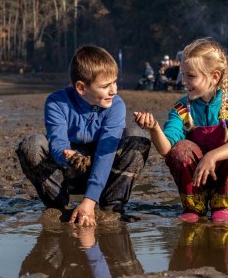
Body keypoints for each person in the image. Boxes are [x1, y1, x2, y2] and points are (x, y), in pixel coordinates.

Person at [16, 45, 151, 227]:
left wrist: (89, 201)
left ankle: (112, 206)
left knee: (137, 135)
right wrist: (67, 156)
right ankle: (58, 206)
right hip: (69, 172)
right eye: (105, 86)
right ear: (81, 87)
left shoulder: (116, 105)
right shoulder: (56, 102)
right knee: (32, 144)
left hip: (104, 171)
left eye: (114, 82)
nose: (114, 91)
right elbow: (57, 142)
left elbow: (106, 152)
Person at [133, 38, 228, 223]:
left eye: (190, 76)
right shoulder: (182, 108)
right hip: (195, 177)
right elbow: (166, 149)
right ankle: (194, 205)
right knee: (180, 150)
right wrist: (154, 128)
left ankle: (222, 204)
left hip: (225, 173)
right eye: (183, 75)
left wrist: (212, 156)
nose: (183, 81)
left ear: (215, 76)